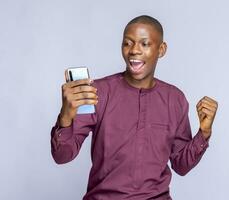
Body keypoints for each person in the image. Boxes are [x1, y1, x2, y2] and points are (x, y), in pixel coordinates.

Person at [51, 15, 218, 200]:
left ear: (161, 49)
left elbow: (181, 165)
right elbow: (62, 156)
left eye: (144, 44)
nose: (134, 51)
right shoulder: (97, 92)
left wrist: (204, 133)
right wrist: (65, 116)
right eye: (127, 43)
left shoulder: (175, 99)